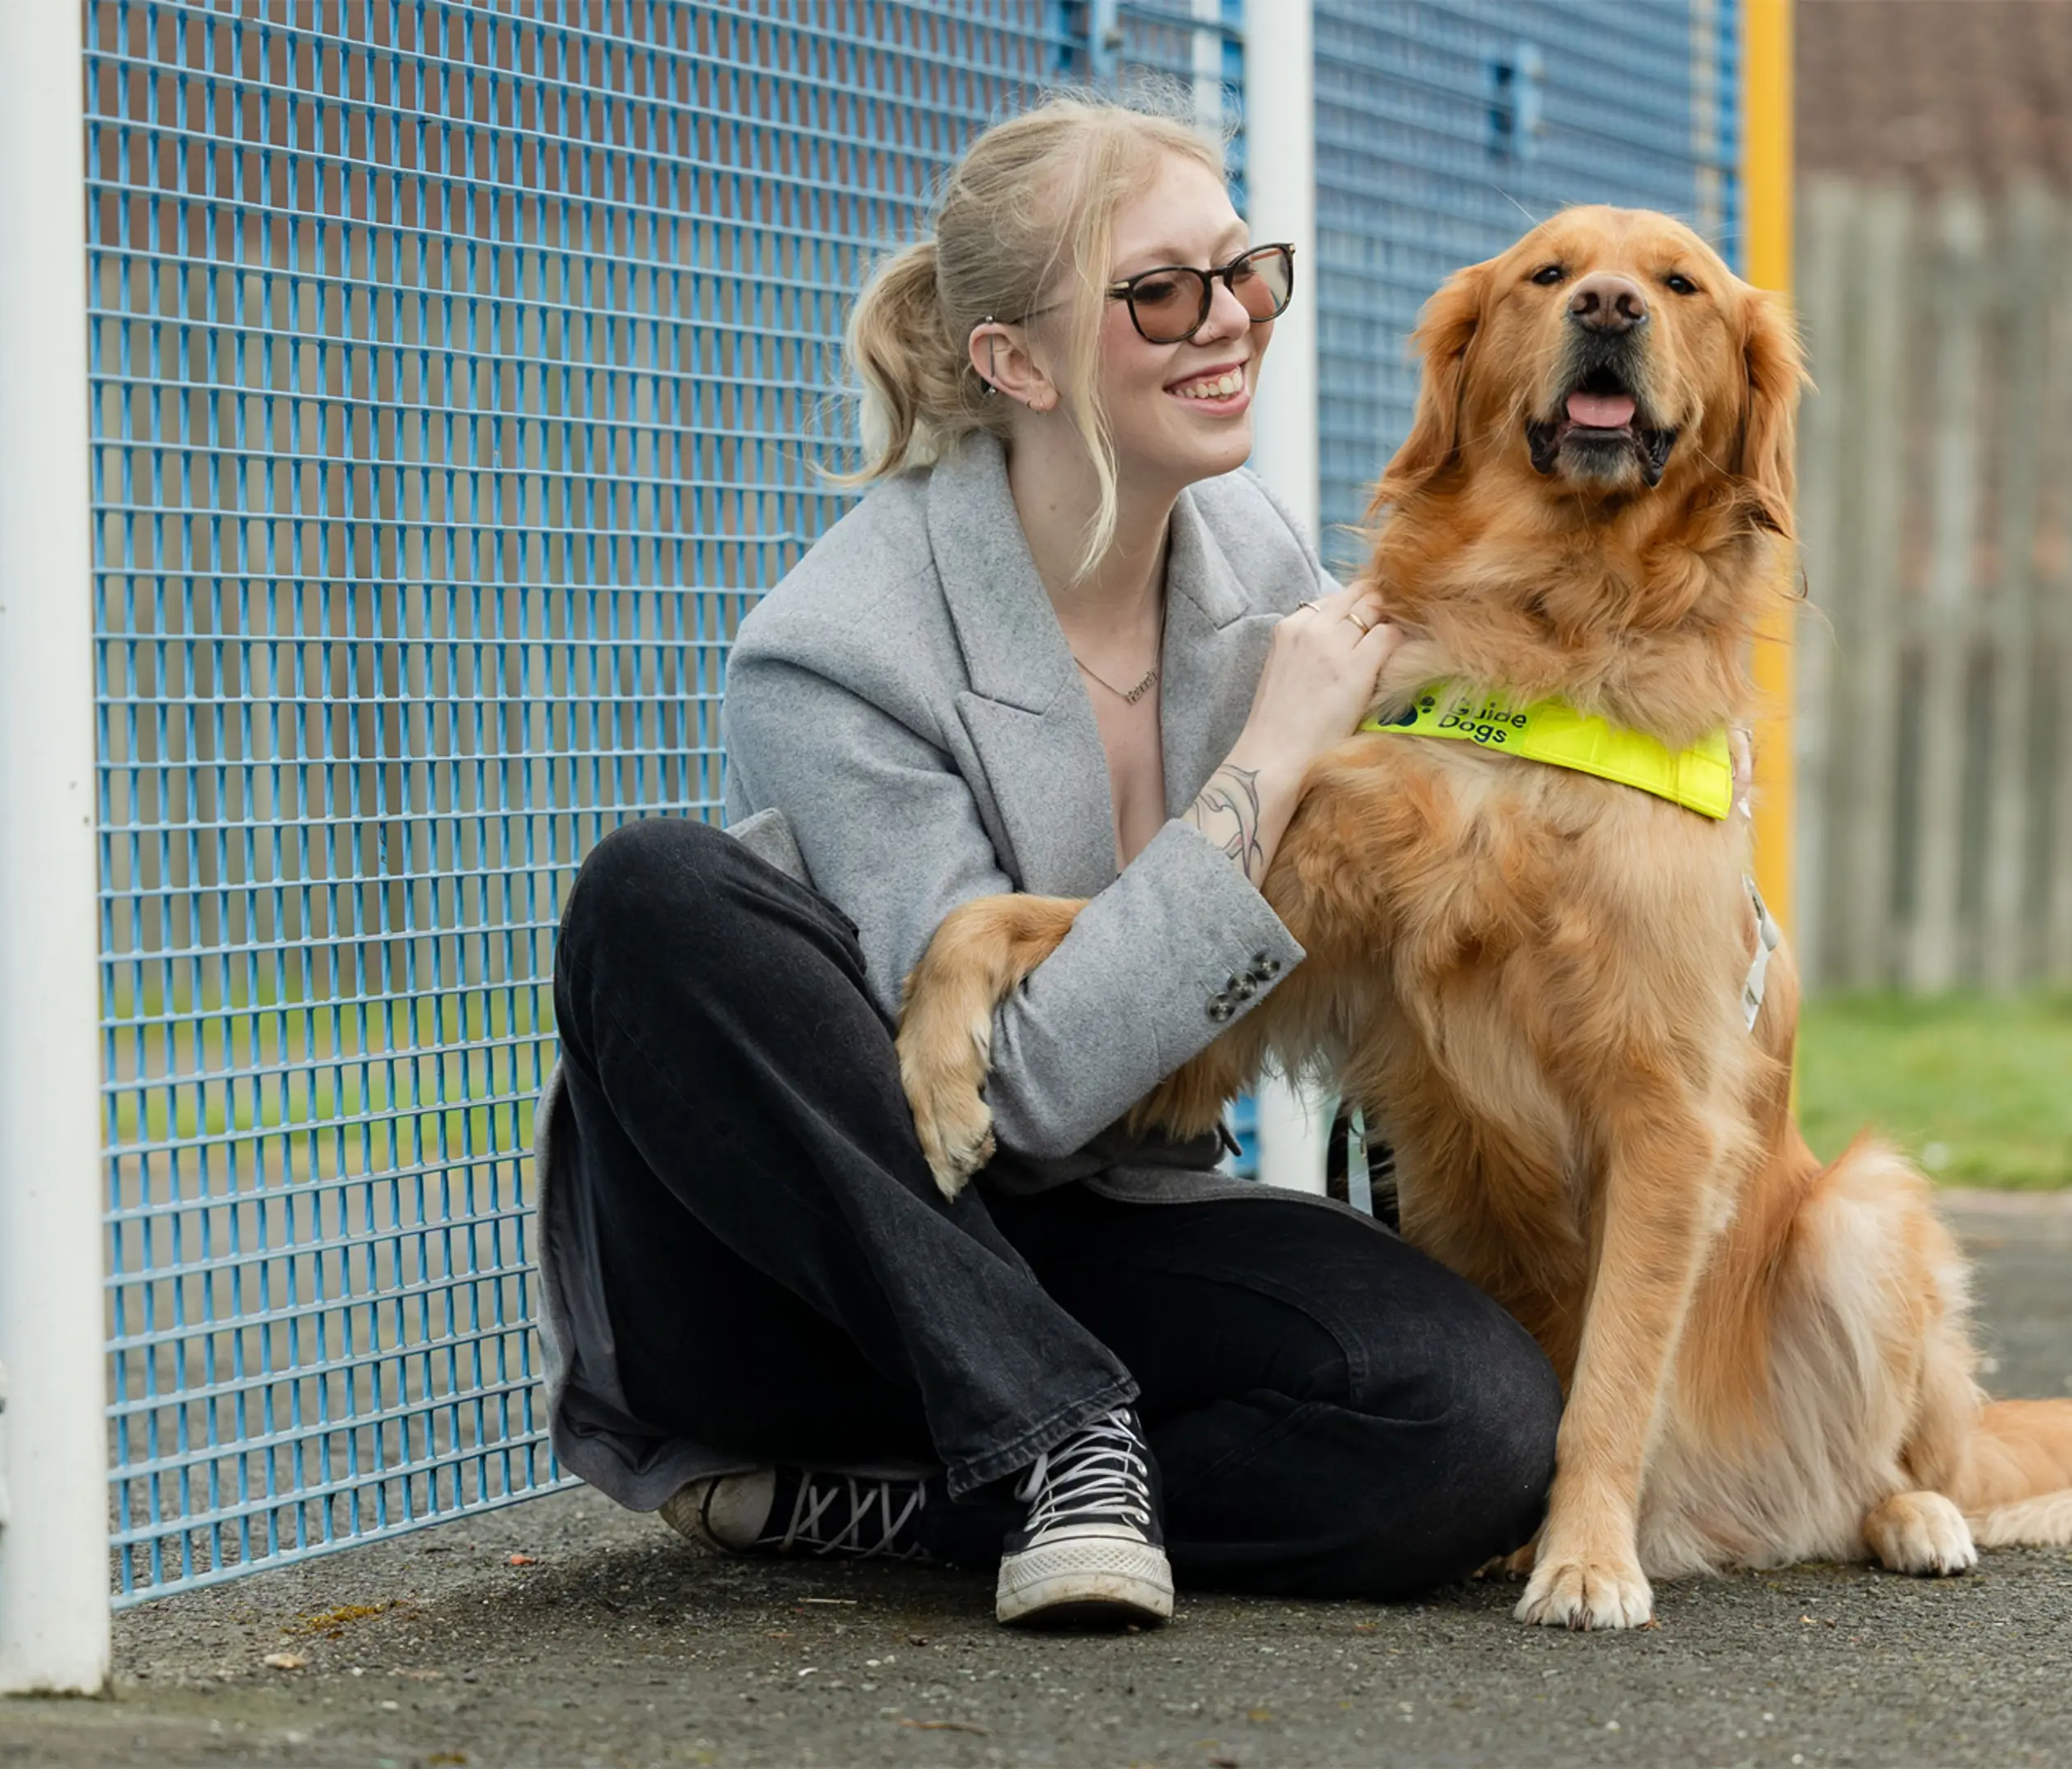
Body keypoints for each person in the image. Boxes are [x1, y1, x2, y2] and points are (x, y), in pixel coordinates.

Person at [533, 93, 1563, 1631]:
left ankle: (929, 1503)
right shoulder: (834, 649)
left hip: (1103, 1235)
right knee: (653, 892)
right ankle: (1054, 1442)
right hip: (818, 1273)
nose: (1230, 323)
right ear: (1015, 362)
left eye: (1245, 271)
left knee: (1477, 1427)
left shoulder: (1266, 574)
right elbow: (1017, 1096)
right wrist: (1273, 756)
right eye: (1161, 292)